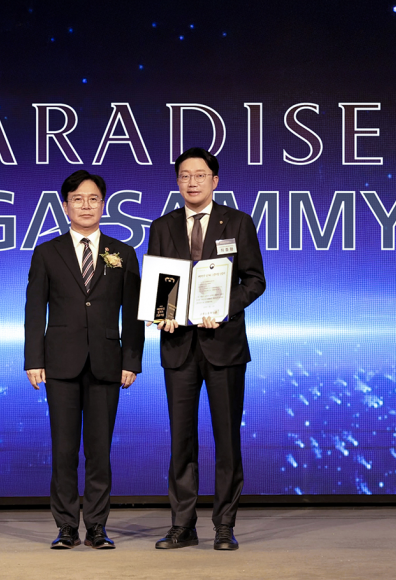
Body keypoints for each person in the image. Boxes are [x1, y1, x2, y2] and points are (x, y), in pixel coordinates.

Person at [147, 147, 266, 550]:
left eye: (200, 175)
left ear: (215, 181)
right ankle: (182, 525)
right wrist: (162, 313)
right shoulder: (162, 226)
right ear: (177, 182)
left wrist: (224, 309)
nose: (192, 182)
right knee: (181, 440)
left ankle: (224, 525)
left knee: (226, 439)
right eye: (184, 175)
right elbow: (161, 281)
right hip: (178, 345)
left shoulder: (238, 222)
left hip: (224, 346)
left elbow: (254, 280)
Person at [24, 169, 144, 549]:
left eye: (93, 199)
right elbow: (34, 310)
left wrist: (132, 360)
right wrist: (33, 359)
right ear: (66, 206)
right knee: (63, 450)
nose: (86, 206)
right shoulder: (47, 252)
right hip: (60, 362)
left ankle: (96, 526)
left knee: (99, 451)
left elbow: (134, 313)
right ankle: (65, 526)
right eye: (78, 199)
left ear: (103, 204)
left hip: (107, 362)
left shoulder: (123, 253)